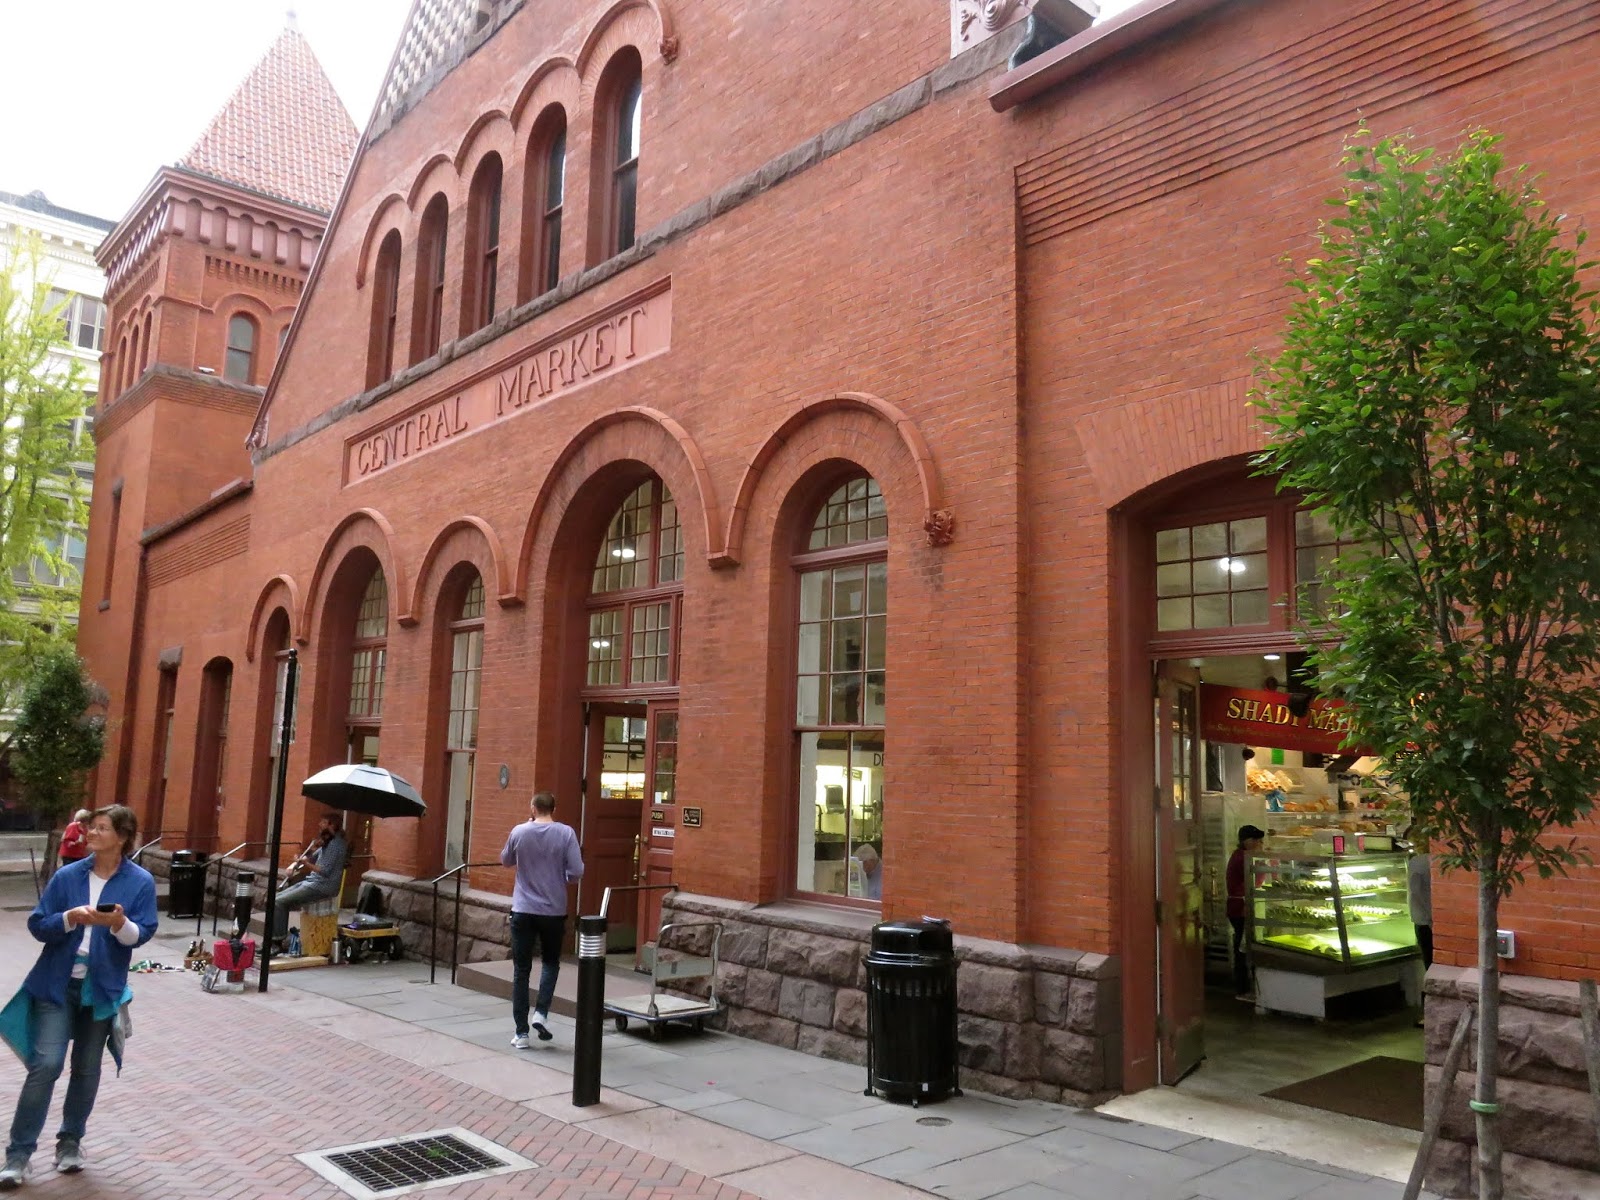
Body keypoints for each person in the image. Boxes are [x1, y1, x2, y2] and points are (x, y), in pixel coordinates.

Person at [0, 805, 158, 1188]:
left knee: (87, 1069)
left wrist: (119, 923)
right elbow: (39, 924)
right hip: (57, 985)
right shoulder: (69, 875)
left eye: (101, 828)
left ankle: (70, 1143)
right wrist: (70, 917)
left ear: (121, 836)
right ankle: (17, 1156)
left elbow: (144, 933)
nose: (92, 833)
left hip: (101, 988)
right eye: (92, 827)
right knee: (47, 1065)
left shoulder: (139, 881)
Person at [500, 792, 583, 1048]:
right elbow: (577, 871)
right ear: (554, 808)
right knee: (550, 963)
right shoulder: (566, 833)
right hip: (553, 911)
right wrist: (564, 878)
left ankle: (521, 1033)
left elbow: (505, 860)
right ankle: (542, 1013)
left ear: (533, 808)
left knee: (521, 970)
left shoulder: (519, 832)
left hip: (523, 909)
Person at [268, 813, 348, 953]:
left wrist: (305, 863)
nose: (319, 825)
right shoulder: (328, 842)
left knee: (279, 902)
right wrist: (295, 863)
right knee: (276, 897)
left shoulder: (336, 845)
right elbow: (311, 858)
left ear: (332, 825)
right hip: (313, 882)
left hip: (323, 886)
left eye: (323, 822)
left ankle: (277, 942)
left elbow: (324, 871)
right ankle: (274, 939)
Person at [1226, 824, 1266, 1000]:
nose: (1259, 842)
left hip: (1241, 906)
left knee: (1243, 947)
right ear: (1245, 841)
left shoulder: (1243, 855)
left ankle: (1246, 988)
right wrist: (1265, 861)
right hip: (1240, 908)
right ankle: (1243, 989)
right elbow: (1255, 879)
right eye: (1255, 839)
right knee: (1242, 949)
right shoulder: (1243, 858)